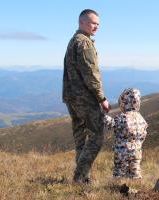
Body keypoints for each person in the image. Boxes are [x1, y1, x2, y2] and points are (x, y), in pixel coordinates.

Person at [62, 9, 111, 183]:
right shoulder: (84, 43)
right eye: (92, 23)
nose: (96, 26)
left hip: (71, 98)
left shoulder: (73, 41)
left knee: (80, 138)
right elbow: (91, 74)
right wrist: (102, 99)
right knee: (96, 138)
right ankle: (80, 177)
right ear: (81, 22)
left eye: (98, 24)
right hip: (85, 99)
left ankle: (83, 178)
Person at [104, 88, 148, 180]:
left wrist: (102, 115)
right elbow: (144, 135)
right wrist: (137, 144)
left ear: (123, 102)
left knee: (119, 173)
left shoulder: (122, 117)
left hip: (122, 152)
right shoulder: (141, 118)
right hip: (137, 151)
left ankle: (115, 189)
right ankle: (136, 189)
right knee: (135, 172)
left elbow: (111, 124)